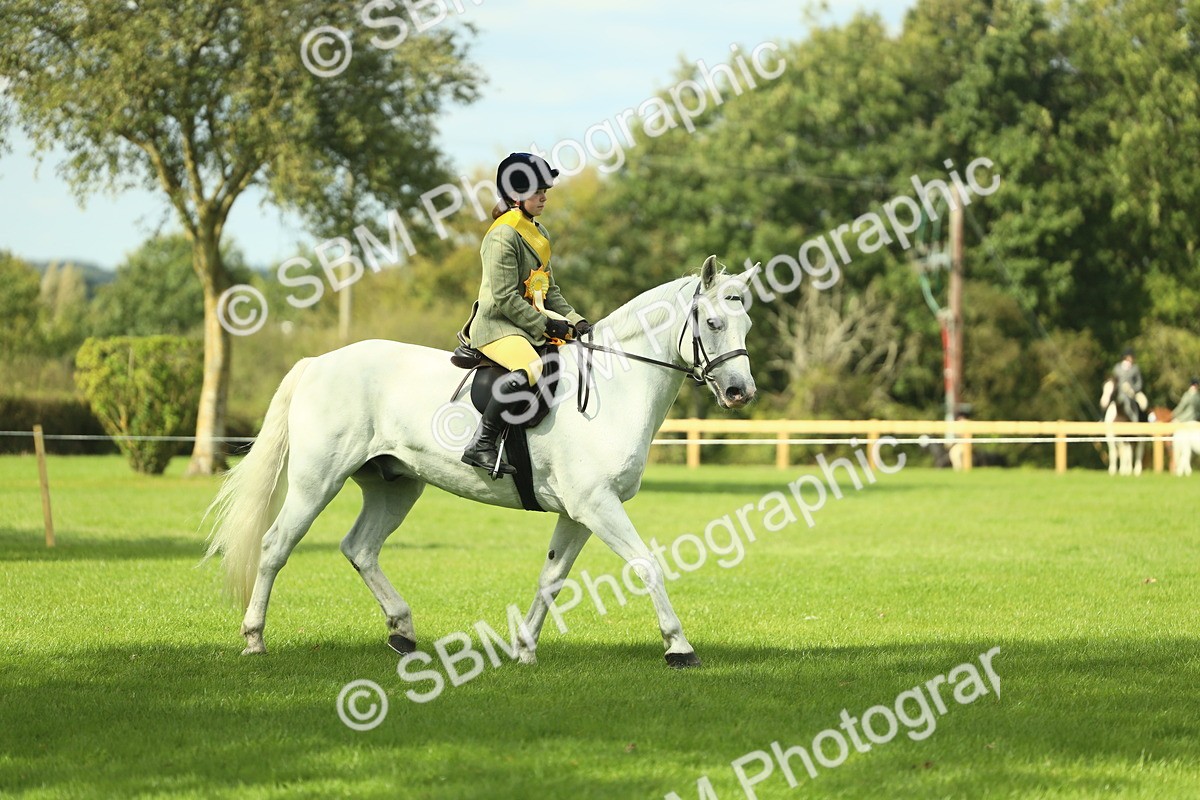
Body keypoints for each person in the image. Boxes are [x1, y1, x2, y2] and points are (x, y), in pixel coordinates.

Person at [457, 152, 590, 475]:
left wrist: (576, 320)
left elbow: (548, 290)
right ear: (516, 195)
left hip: (524, 324)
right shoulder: (503, 235)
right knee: (530, 367)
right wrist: (546, 325)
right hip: (497, 326)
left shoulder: (538, 232)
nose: (544, 197)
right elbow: (504, 298)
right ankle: (481, 443)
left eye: (545, 191)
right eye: (537, 191)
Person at [1172, 378, 1200, 476]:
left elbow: (1181, 407)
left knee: (1184, 449)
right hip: (1195, 422)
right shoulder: (1198, 396)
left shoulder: (1188, 395)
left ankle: (1181, 469)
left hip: (1185, 423)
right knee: (1186, 450)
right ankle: (1185, 469)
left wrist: (1173, 415)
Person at [1111, 348, 1148, 421]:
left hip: (1132, 395)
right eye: (1129, 357)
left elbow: (1139, 383)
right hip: (1119, 395)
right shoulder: (1117, 368)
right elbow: (1114, 381)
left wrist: (1133, 389)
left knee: (1144, 404)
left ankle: (1138, 420)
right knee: (1107, 403)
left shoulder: (1135, 368)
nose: (1131, 359)